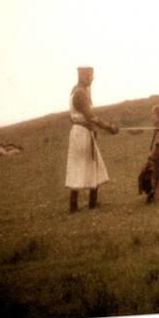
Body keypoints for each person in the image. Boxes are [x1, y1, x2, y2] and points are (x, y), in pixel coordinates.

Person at [65, 66, 119, 213]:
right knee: (90, 166)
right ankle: (88, 205)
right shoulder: (80, 93)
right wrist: (109, 127)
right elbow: (91, 116)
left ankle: (78, 206)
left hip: (80, 132)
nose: (91, 80)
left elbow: (73, 116)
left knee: (83, 167)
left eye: (92, 77)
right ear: (81, 76)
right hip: (82, 133)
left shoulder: (76, 90)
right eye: (89, 77)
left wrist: (92, 128)